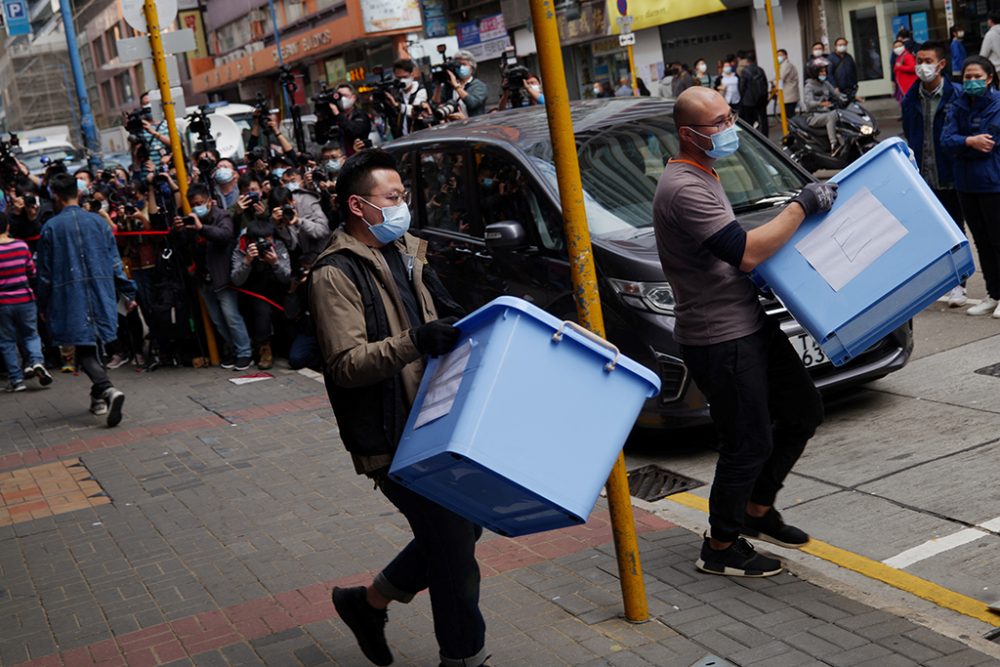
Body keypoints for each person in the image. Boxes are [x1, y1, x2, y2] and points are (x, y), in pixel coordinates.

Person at [311, 149, 485, 667]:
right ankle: (465, 660)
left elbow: (438, 316)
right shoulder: (334, 273)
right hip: (390, 438)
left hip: (433, 421)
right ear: (359, 207)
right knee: (455, 554)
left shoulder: (408, 250)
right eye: (393, 198)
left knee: (460, 531)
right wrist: (416, 341)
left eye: (403, 196)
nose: (403, 205)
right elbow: (345, 364)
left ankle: (367, 603)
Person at [654, 86, 835, 577]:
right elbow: (746, 251)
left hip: (745, 320)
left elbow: (726, 257)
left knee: (802, 411)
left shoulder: (703, 172)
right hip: (720, 337)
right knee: (747, 441)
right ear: (688, 133)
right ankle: (720, 546)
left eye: (729, 115)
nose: (729, 127)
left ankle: (756, 510)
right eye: (718, 122)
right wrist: (800, 206)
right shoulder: (683, 187)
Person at [36, 173, 136, 427]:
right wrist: (128, 291)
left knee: (85, 348)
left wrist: (42, 303)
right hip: (100, 290)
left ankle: (107, 389)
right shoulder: (98, 223)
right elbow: (115, 263)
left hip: (70, 296)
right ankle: (98, 399)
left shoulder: (50, 228)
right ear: (78, 193)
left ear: (55, 196)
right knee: (93, 344)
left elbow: (44, 274)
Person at [902, 42, 968, 307]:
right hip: (924, 176)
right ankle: (945, 282)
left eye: (927, 60)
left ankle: (960, 285)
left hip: (951, 173)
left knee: (957, 229)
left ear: (941, 65)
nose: (921, 66)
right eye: (919, 60)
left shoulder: (957, 95)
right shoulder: (911, 97)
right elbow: (910, 131)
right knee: (934, 232)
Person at [942, 55, 1000, 317]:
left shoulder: (997, 104)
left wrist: (964, 144)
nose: (972, 81)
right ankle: (993, 294)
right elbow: (946, 140)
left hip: (993, 183)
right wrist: (969, 142)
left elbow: (990, 144)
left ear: (989, 78)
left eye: (977, 77)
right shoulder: (958, 104)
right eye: (968, 77)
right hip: (966, 184)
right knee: (982, 243)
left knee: (998, 240)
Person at [173, 183, 254, 369]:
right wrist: (178, 230)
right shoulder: (191, 221)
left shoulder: (222, 216)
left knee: (232, 317)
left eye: (200, 203)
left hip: (222, 277)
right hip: (204, 278)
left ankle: (245, 352)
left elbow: (225, 235)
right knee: (218, 320)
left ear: (209, 201)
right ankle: (233, 350)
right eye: (194, 204)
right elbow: (182, 245)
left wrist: (202, 228)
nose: (197, 207)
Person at [0, 215, 52, 392]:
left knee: (7, 341)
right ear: (7, 226)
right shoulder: (21, 246)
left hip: (2, 303)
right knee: (31, 334)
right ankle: (37, 361)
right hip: (25, 298)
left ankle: (16, 380)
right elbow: (32, 272)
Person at [231, 217, 291, 371]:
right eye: (259, 240)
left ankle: (283, 347)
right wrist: (247, 261)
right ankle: (264, 351)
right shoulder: (242, 249)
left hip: (277, 290)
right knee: (261, 312)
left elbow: (287, 278)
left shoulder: (278, 247)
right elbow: (236, 280)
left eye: (267, 239)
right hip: (254, 294)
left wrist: (275, 263)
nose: (264, 243)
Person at [802, 60, 842, 154]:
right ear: (815, 73)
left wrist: (848, 97)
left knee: (840, 115)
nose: (824, 73)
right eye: (821, 72)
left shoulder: (826, 84)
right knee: (831, 116)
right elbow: (809, 103)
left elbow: (836, 94)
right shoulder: (809, 86)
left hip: (826, 112)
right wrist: (820, 104)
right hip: (813, 116)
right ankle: (834, 145)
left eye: (825, 71)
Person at [383, 59, 428, 137]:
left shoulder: (420, 90)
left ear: (412, 74)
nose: (402, 81)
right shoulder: (396, 92)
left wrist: (397, 105)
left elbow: (415, 111)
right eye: (398, 78)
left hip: (420, 136)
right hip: (401, 138)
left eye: (405, 77)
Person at [439, 51, 488, 117]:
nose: (460, 67)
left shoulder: (479, 86)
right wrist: (438, 84)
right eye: (458, 65)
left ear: (472, 68)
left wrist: (457, 86)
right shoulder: (449, 86)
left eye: (464, 64)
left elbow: (472, 103)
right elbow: (438, 104)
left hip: (475, 125)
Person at [332, 83, 373, 156]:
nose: (342, 99)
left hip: (359, 156)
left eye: (345, 96)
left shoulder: (361, 115)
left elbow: (355, 131)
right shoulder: (334, 117)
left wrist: (338, 114)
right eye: (339, 96)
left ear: (353, 98)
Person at [737, 51, 770, 135]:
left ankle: (752, 137)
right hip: (761, 99)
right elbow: (765, 84)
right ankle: (765, 135)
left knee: (749, 121)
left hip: (749, 101)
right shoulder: (760, 70)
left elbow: (742, 87)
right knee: (763, 118)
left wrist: (742, 98)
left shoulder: (745, 71)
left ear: (747, 60)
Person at [776, 49, 800, 121]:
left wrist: (775, 83)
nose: (778, 57)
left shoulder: (786, 65)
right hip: (790, 95)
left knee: (789, 116)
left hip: (788, 95)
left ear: (786, 56)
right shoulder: (785, 65)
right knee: (790, 115)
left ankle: (791, 131)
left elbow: (780, 77)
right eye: (777, 55)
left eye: (780, 55)